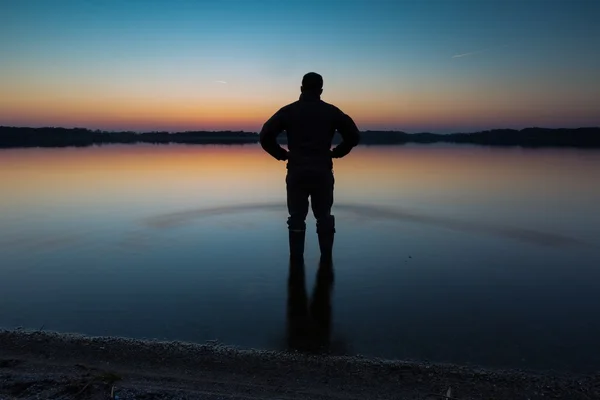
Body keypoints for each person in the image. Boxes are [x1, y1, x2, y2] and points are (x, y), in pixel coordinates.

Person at [259, 72, 360, 263]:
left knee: (297, 217)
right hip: (322, 171)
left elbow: (265, 136)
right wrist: (337, 152)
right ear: (321, 90)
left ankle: (296, 262)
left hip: (297, 171)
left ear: (301, 88)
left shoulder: (289, 111)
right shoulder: (331, 112)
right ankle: (326, 260)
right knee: (324, 216)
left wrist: (281, 154)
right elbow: (353, 136)